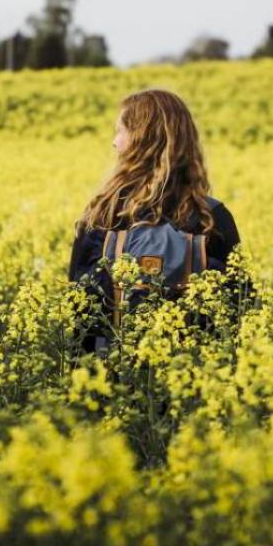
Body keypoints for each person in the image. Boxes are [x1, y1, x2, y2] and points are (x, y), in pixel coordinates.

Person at [67, 88, 251, 356]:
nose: (114, 142)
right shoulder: (210, 217)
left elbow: (80, 315)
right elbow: (241, 311)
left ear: (141, 140)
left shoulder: (104, 216)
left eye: (119, 131)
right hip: (194, 381)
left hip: (113, 376)